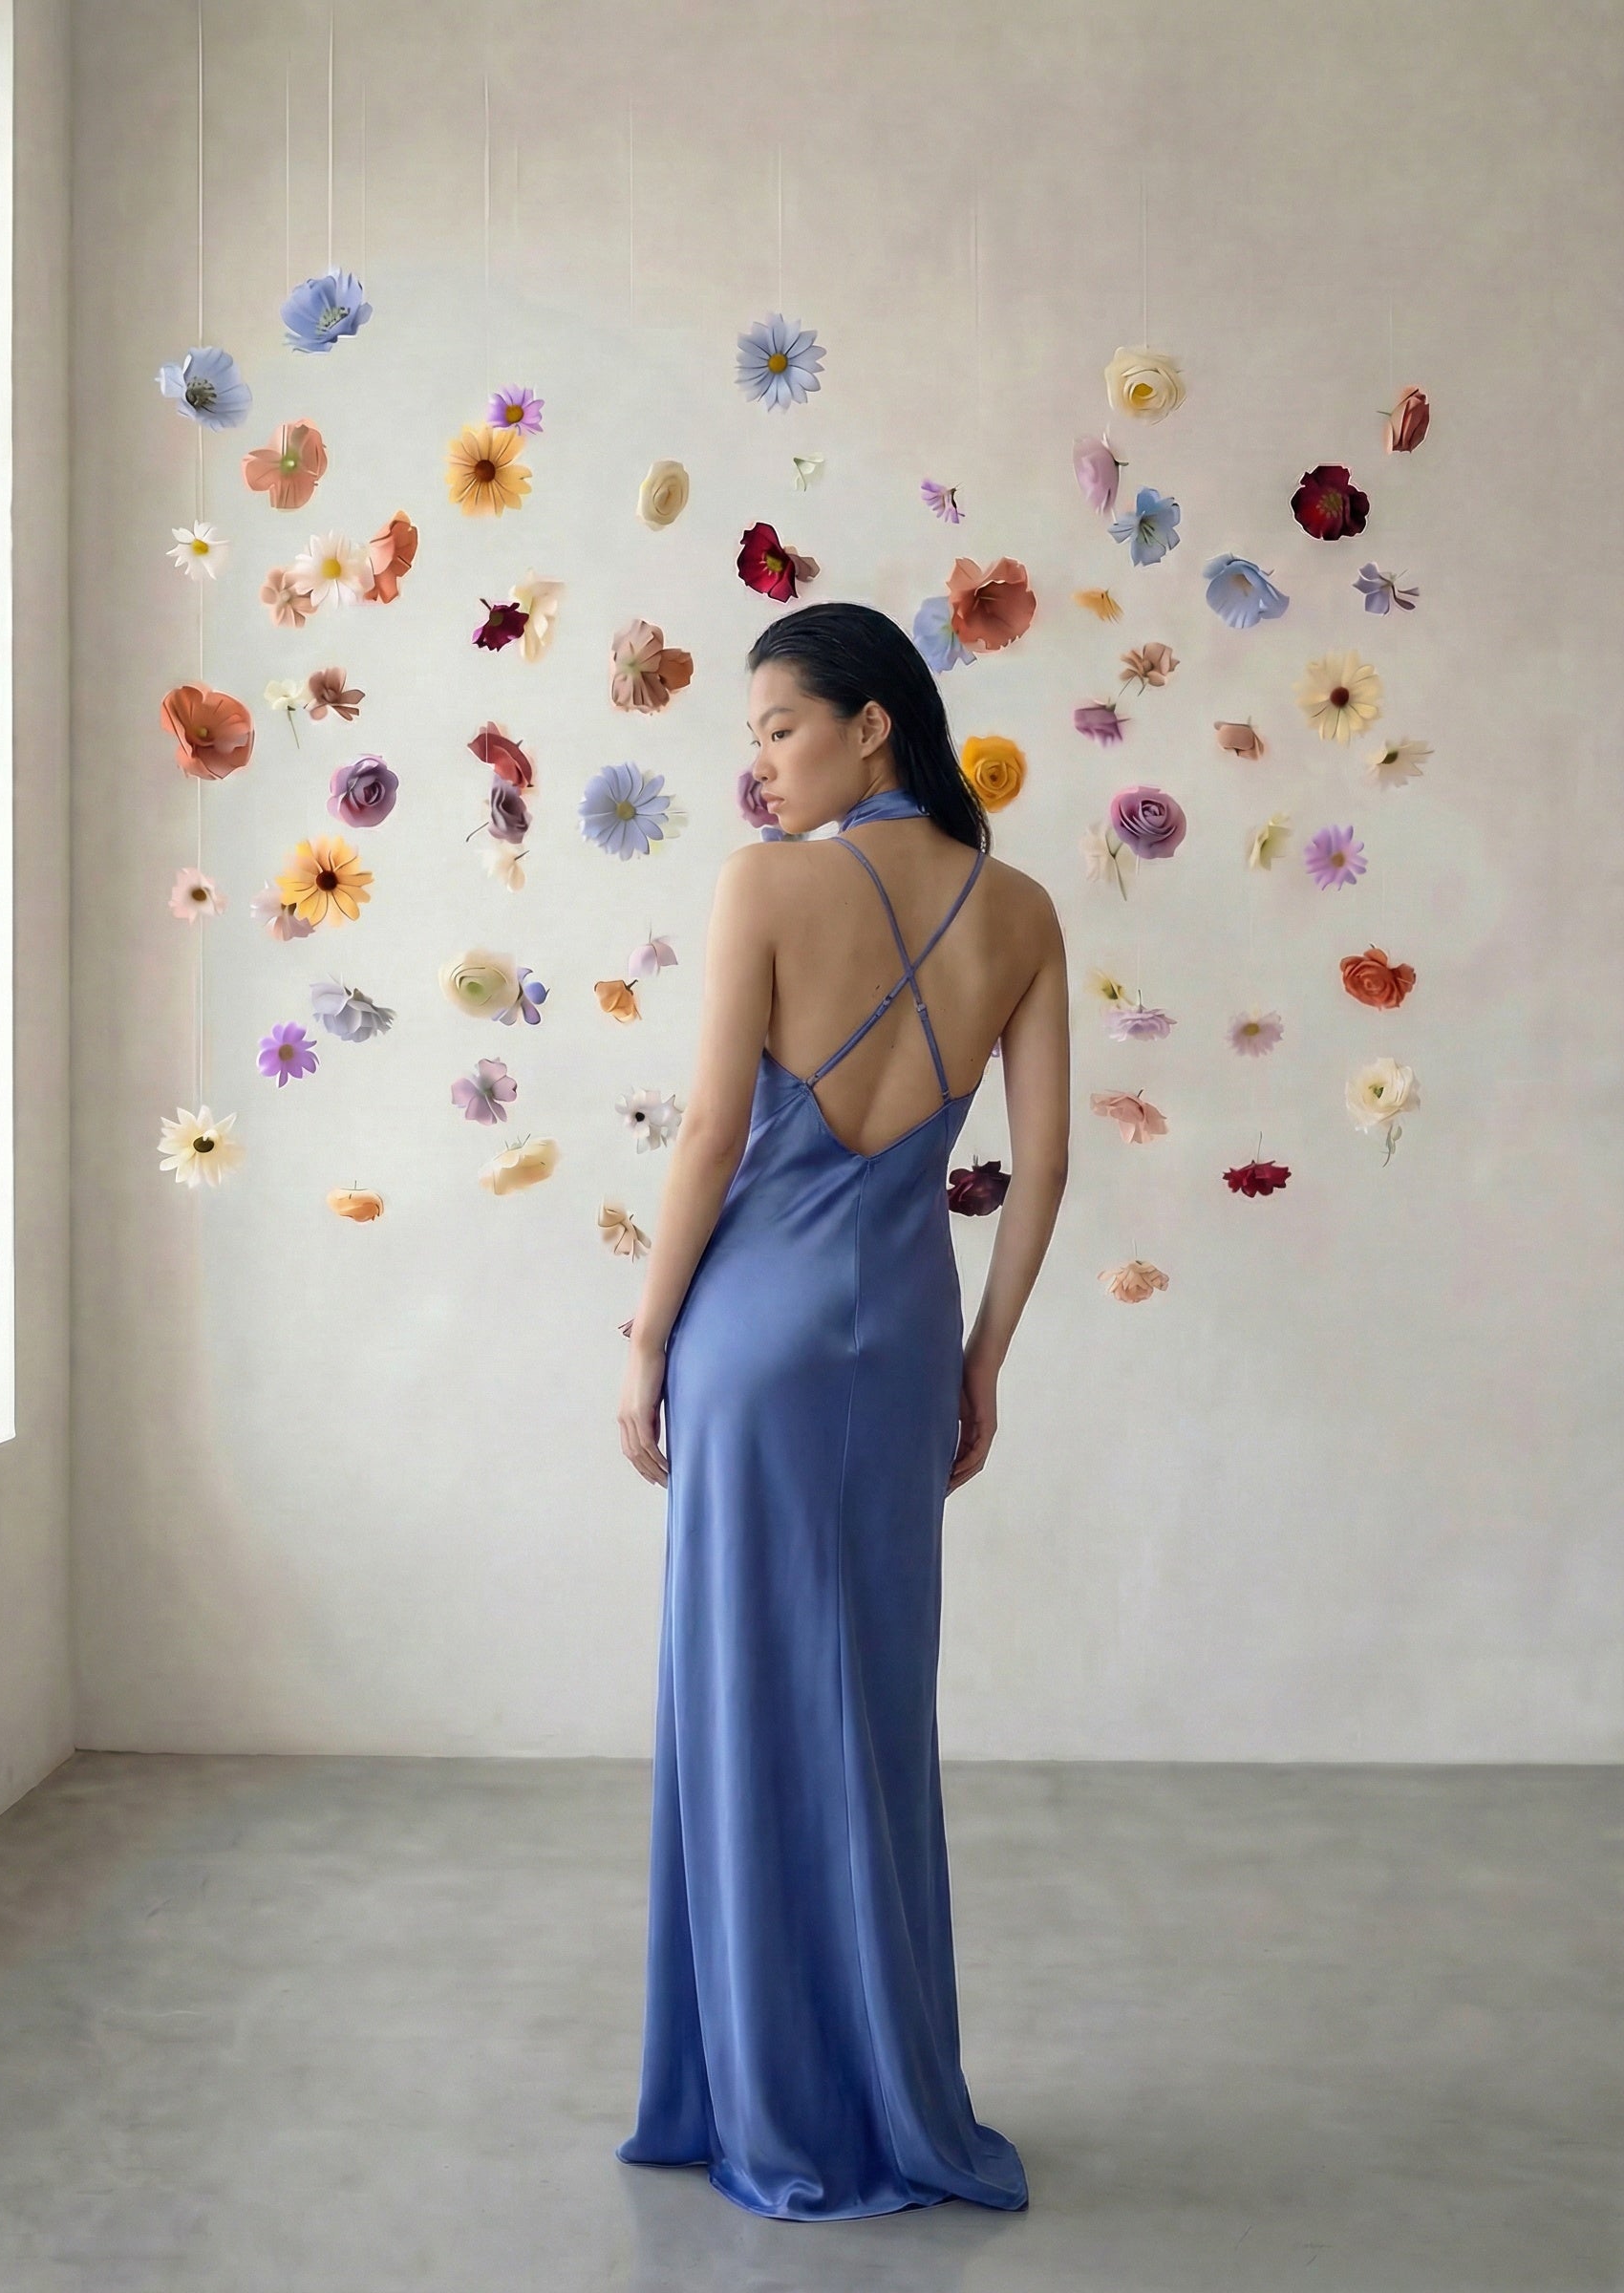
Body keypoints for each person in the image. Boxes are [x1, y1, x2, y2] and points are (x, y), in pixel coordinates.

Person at [613, 599, 1071, 2221]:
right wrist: (985, 1359)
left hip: (754, 1337)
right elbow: (1043, 1169)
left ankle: (768, 2100)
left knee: (744, 1704)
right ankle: (892, 2095)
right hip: (903, 1344)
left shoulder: (766, 885)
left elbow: (707, 1138)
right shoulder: (1020, 909)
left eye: (778, 728)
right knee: (872, 1711)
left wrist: (645, 1341)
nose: (758, 766)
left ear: (872, 724)